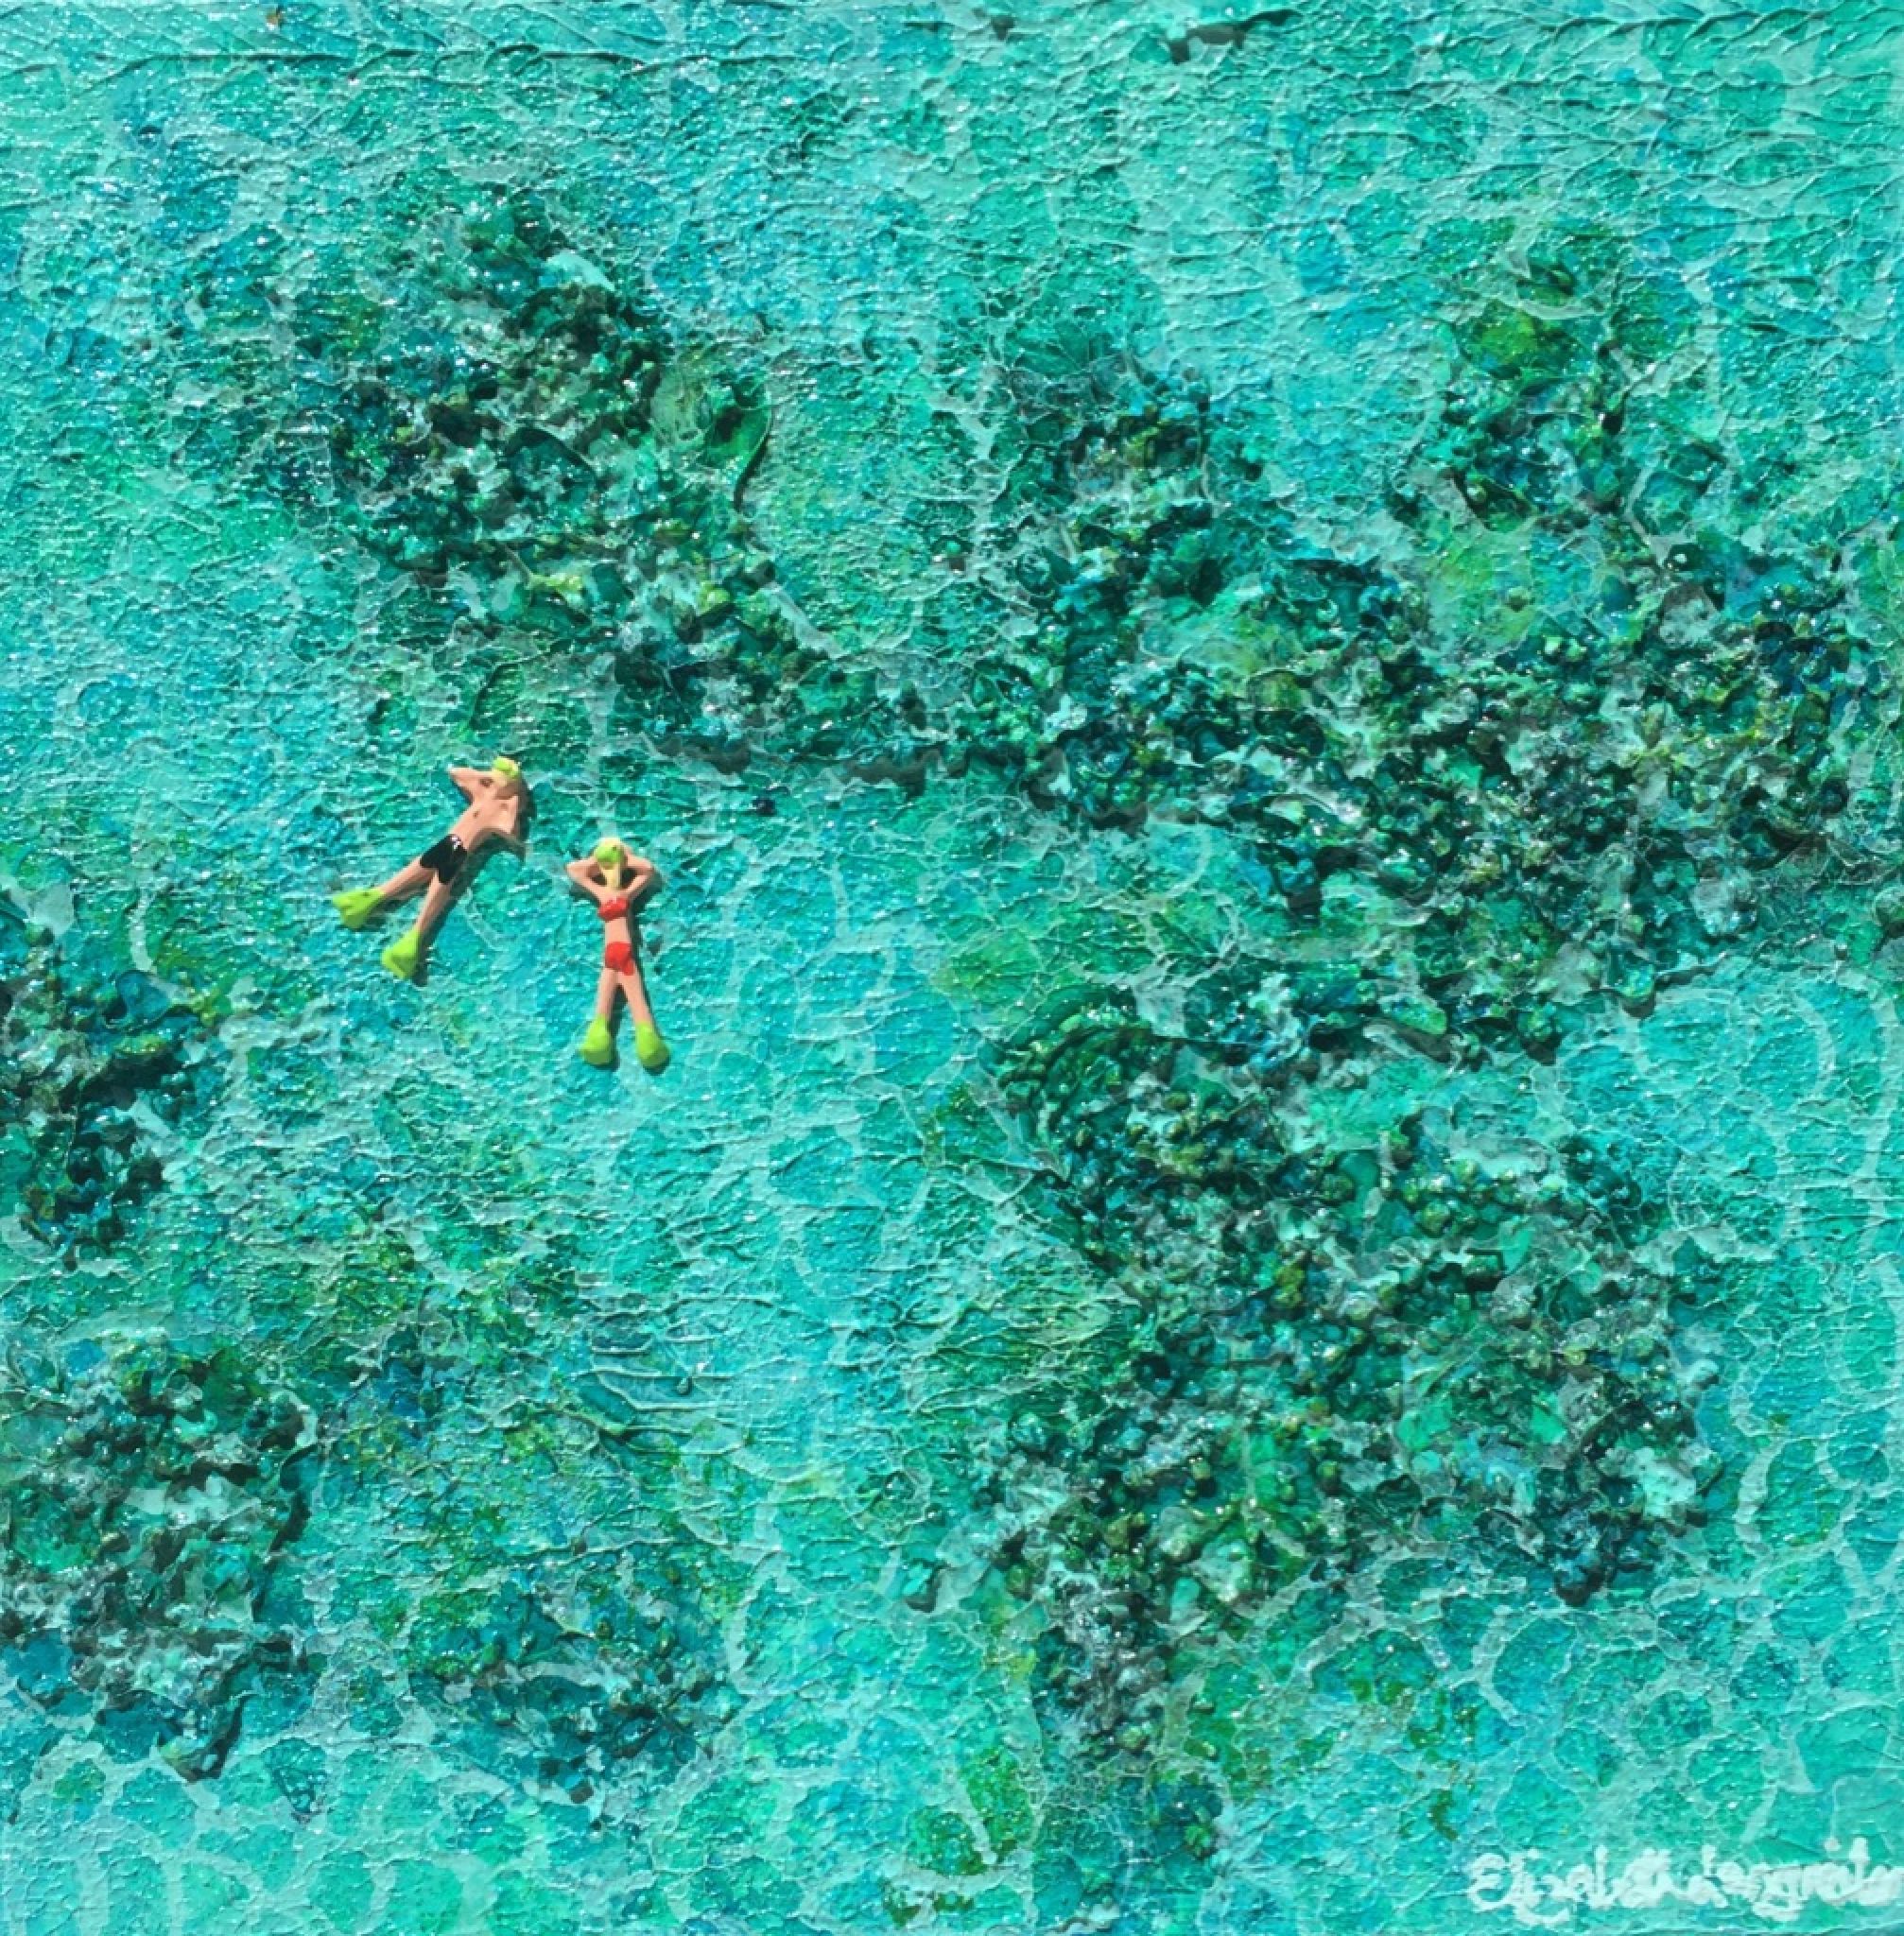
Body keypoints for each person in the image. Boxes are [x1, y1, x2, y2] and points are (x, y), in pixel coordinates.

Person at [330, 757, 529, 980]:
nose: (493, 782)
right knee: (412, 874)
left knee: (436, 891)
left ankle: (410, 938)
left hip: (458, 851)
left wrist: (514, 801)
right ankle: (370, 905)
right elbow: (457, 773)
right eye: (493, 778)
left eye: (500, 781)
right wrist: (486, 777)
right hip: (449, 843)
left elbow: (513, 833)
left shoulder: (502, 811)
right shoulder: (482, 792)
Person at [565, 838, 670, 1072]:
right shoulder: (622, 894)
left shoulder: (608, 893)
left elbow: (575, 870)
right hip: (622, 953)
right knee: (637, 1004)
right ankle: (649, 1049)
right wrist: (621, 859)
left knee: (605, 1004)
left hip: (613, 954)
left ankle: (599, 1045)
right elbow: (647, 869)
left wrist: (601, 861)